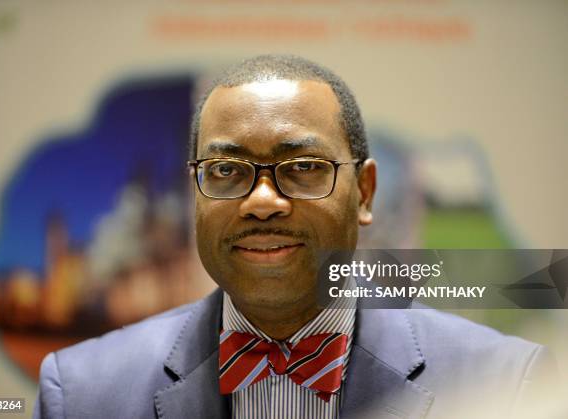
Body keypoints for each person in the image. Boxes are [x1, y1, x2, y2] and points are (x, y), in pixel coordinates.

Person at [34, 55, 556, 419]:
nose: (263, 201)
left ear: (366, 193)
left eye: (304, 166)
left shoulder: (506, 386)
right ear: (194, 192)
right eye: (225, 170)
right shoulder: (81, 394)